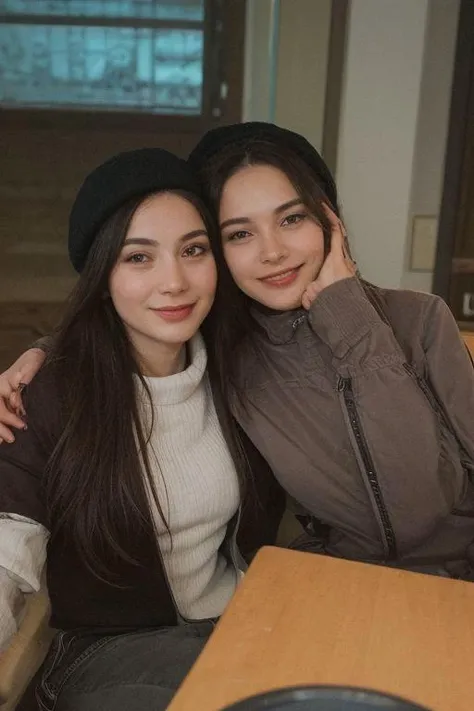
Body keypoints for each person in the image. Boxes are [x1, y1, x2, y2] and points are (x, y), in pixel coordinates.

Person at [2, 122, 474, 580]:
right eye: (239, 234)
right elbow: (131, 326)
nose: (273, 252)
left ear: (330, 219)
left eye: (292, 218)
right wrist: (48, 357)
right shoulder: (229, 350)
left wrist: (351, 317)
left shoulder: (419, 320)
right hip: (336, 589)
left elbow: (417, 505)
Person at [0, 147, 285, 711]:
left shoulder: (242, 369)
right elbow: (7, 549)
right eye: (139, 257)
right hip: (104, 654)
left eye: (194, 251)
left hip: (237, 628)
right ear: (101, 276)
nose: (174, 282)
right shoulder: (49, 394)